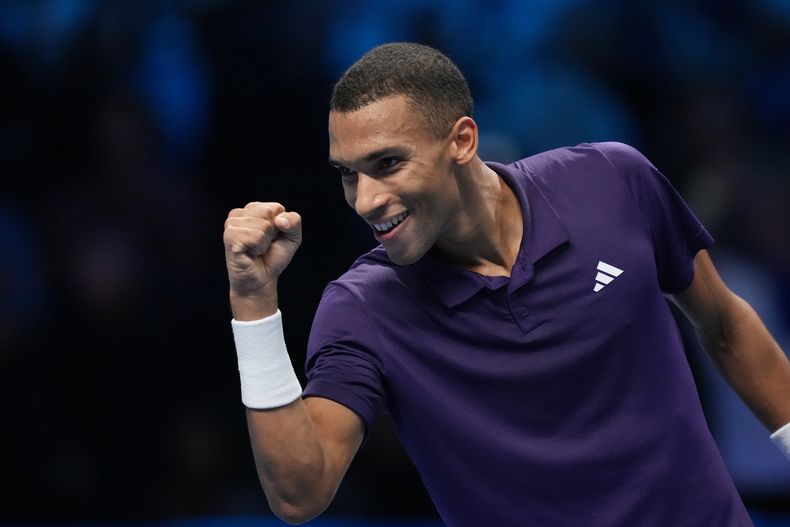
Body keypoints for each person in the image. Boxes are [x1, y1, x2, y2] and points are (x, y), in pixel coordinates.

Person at [222, 43, 790, 526]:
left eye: (389, 163)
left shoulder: (614, 181)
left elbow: (725, 325)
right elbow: (299, 493)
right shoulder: (362, 307)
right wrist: (252, 300)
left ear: (463, 141)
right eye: (349, 173)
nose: (365, 200)